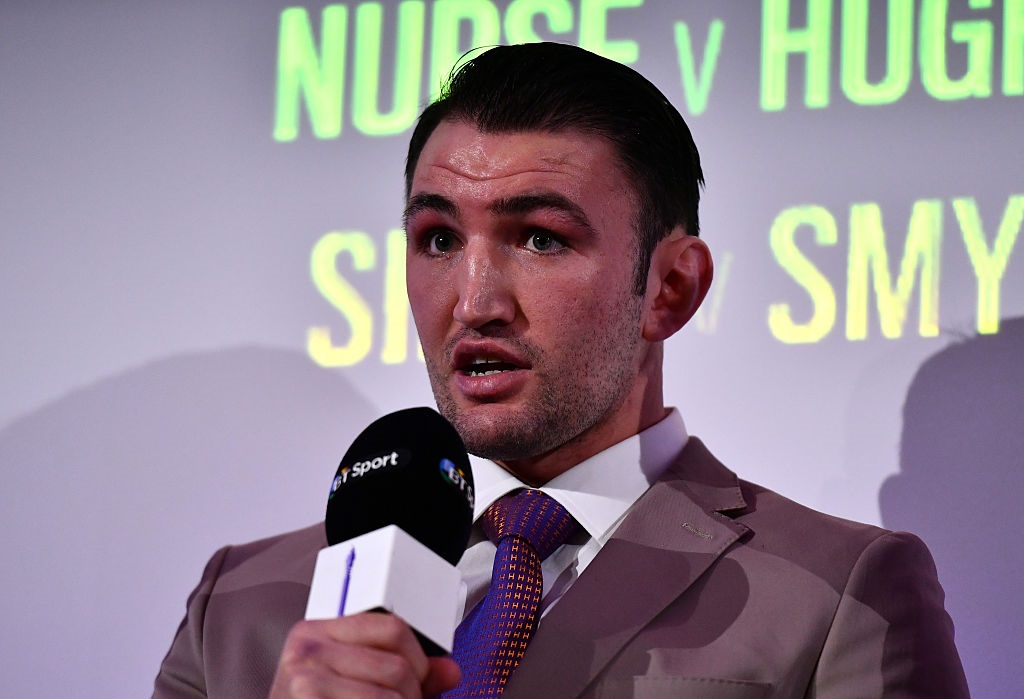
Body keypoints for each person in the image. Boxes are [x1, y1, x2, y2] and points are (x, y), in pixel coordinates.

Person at [152, 43, 968, 698]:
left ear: (671, 288)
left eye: (540, 237)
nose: (473, 301)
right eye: (438, 238)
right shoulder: (240, 604)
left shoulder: (836, 594)